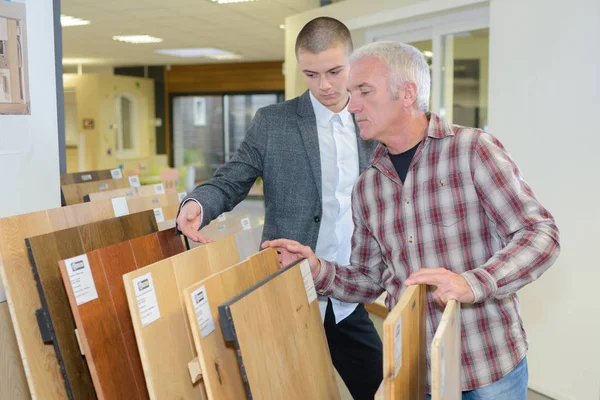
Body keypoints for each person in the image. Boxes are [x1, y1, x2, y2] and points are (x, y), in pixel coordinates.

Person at [263, 41, 560, 399]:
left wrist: (474, 282)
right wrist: (317, 269)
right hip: (417, 375)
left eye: (364, 92)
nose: (351, 105)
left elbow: (541, 233)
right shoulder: (368, 186)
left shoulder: (472, 150)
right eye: (351, 93)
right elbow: (370, 279)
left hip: (488, 368)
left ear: (406, 94)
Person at [176, 17, 383, 399]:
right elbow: (232, 179)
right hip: (285, 288)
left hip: (346, 292)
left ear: (352, 62)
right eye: (311, 74)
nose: (324, 85)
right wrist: (198, 204)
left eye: (335, 71)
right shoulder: (274, 123)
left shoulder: (372, 121)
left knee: (382, 389)